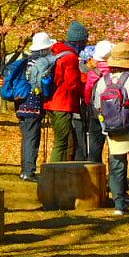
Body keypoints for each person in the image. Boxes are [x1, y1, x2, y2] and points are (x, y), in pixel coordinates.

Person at [92, 42, 129, 216]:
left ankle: (119, 205)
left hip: (113, 131)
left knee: (117, 167)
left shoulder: (103, 81)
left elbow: (97, 106)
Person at [9, 31, 55, 181]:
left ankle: (24, 170)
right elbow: (44, 85)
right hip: (33, 105)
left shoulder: (25, 61)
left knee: (26, 137)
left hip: (20, 103)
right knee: (32, 138)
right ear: (44, 49)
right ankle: (29, 171)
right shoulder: (42, 63)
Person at [43, 20, 86, 162]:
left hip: (51, 102)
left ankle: (61, 174)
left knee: (66, 141)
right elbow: (72, 84)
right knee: (62, 142)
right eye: (84, 41)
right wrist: (85, 91)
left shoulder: (57, 53)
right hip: (62, 104)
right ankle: (54, 175)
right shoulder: (71, 58)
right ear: (79, 41)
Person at [82, 40, 112, 165]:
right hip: (114, 111)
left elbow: (88, 93)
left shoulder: (93, 73)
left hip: (96, 111)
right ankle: (116, 180)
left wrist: (88, 104)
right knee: (114, 147)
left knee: (95, 145)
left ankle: (94, 175)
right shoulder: (116, 71)